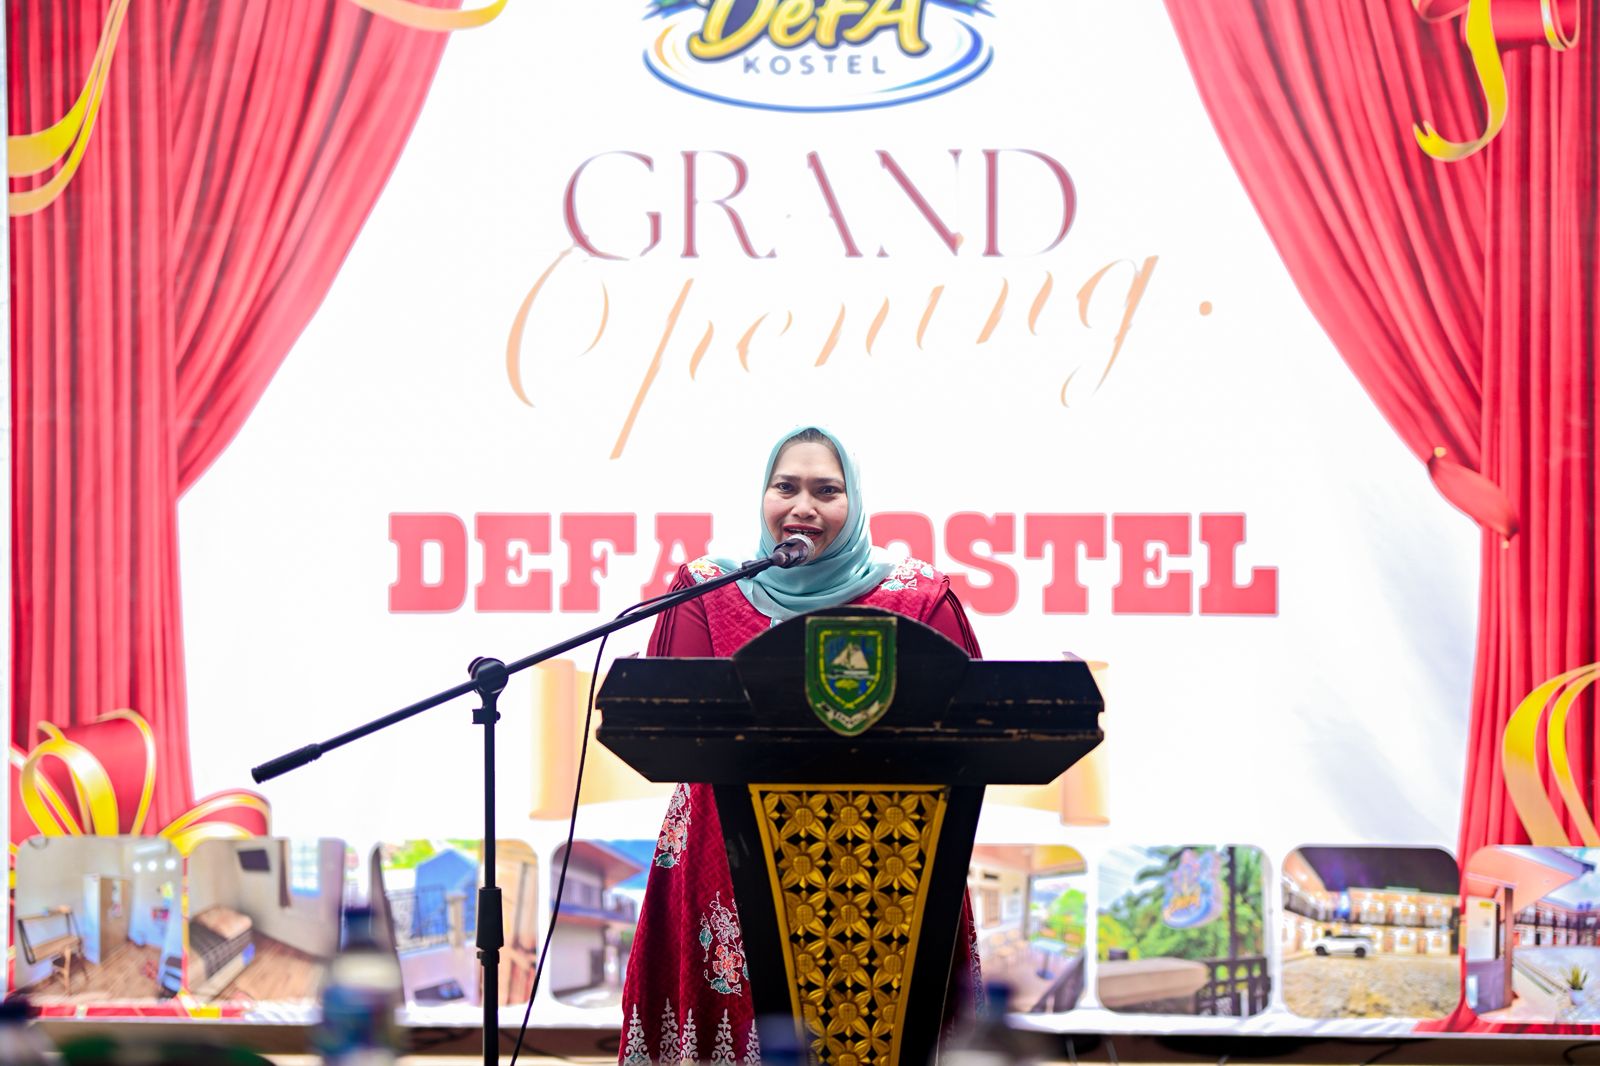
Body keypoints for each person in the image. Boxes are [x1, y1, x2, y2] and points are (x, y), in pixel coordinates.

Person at [617, 426, 984, 1066]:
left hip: (884, 864)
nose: (802, 507)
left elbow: (970, 726)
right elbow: (673, 726)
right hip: (726, 861)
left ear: (855, 502)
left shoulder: (920, 595)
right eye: (785, 487)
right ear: (763, 496)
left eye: (826, 491)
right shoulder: (706, 590)